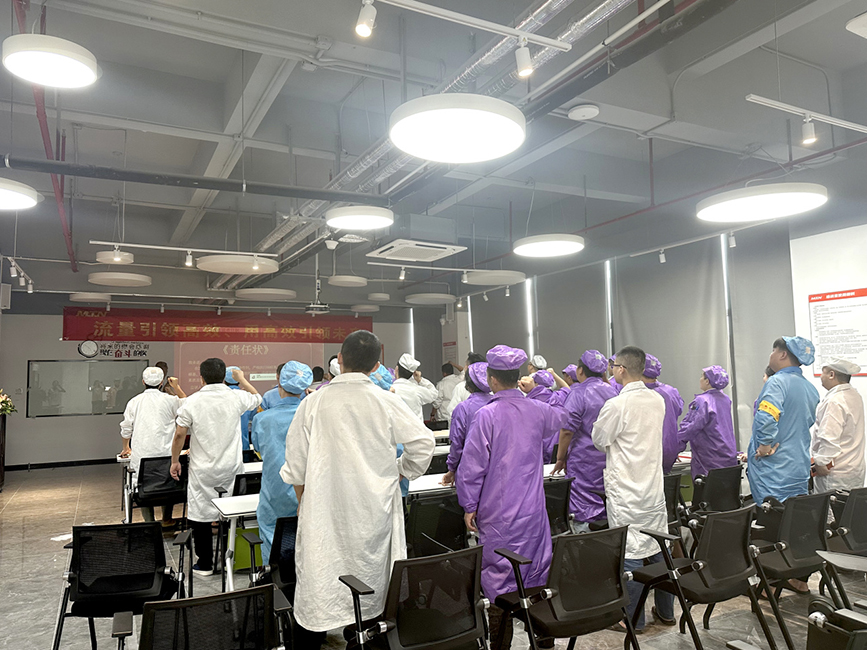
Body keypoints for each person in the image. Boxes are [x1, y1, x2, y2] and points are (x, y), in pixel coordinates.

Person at [280, 330, 434, 647]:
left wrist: (305, 502)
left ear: (339, 359)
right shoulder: (386, 400)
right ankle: (366, 636)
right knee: (371, 584)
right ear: (376, 366)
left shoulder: (312, 403)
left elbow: (296, 467)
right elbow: (423, 443)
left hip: (325, 514)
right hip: (374, 514)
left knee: (320, 584)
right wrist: (401, 470)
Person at [457, 345, 565, 649]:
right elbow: (565, 413)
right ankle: (544, 642)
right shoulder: (538, 410)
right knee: (537, 570)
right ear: (518, 377)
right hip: (533, 511)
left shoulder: (486, 415)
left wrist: (469, 505)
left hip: (498, 512)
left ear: (492, 379)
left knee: (498, 576)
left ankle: (500, 644)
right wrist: (540, 388)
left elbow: (472, 467)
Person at [592, 346, 674, 631]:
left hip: (627, 490)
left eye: (614, 365)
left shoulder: (617, 405)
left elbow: (600, 440)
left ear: (621, 370)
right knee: (659, 546)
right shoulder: (657, 400)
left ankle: (632, 619)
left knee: (631, 552)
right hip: (652, 487)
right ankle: (666, 611)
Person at [170, 359, 261, 575]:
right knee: (230, 512)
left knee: (200, 514)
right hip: (231, 467)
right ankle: (229, 557)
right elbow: (257, 397)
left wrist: (174, 460)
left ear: (201, 377)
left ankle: (205, 564)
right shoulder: (236, 397)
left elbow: (180, 434)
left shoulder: (192, 401)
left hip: (202, 469)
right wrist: (242, 380)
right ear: (223, 377)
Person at [748, 336, 820, 506]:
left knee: (773, 515)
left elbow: (766, 416)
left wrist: (764, 445)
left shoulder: (777, 382)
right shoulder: (809, 388)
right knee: (795, 515)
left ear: (782, 355)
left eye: (773, 351)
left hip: (775, 469)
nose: (771, 355)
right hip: (798, 465)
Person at [251, 361, 311, 561]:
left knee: (272, 538)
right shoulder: (312, 417)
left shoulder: (262, 420)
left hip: (274, 492)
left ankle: (274, 577)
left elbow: (259, 449)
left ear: (279, 382)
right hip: (308, 490)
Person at [552, 350, 617, 532]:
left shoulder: (578, 393)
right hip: (609, 458)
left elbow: (567, 430)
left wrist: (560, 458)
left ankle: (584, 542)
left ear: (580, 370)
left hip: (584, 461)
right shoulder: (613, 392)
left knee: (583, 504)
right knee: (606, 500)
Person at [120, 367, 187, 524]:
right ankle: (167, 519)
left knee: (142, 485)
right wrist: (176, 387)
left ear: (143, 382)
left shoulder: (134, 402)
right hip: (167, 455)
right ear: (162, 382)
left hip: (142, 457)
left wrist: (126, 447)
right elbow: (187, 404)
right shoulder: (170, 400)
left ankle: (149, 523)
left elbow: (126, 428)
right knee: (169, 483)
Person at [811, 357, 865, 493]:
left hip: (835, 473)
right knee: (851, 505)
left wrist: (821, 463)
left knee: (830, 506)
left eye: (823, 372)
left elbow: (829, 436)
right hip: (853, 469)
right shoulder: (854, 395)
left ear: (831, 375)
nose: (821, 377)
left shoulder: (834, 401)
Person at [675, 365, 737, 480]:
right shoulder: (725, 399)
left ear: (707, 381)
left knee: (706, 489)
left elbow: (690, 427)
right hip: (728, 456)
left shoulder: (702, 401)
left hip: (709, 457)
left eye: (701, 377)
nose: (700, 380)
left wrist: (675, 448)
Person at [441, 362, 492, 486]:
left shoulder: (463, 408)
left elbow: (457, 443)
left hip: (471, 471)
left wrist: (452, 468)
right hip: (497, 469)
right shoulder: (499, 404)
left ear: (468, 384)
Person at [642, 354, 684, 473]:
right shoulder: (671, 391)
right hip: (670, 450)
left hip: (649, 452)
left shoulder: (640, 394)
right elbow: (678, 411)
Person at [391, 353, 437, 420]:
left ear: (396, 369)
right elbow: (434, 394)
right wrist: (420, 380)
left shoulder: (390, 390)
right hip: (416, 427)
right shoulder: (417, 390)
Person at [444, 352, 486, 421]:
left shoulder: (461, 388)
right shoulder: (492, 386)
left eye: (466, 365)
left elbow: (452, 413)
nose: (464, 368)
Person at [225, 365, 259, 449]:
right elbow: (253, 417)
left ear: (224, 380)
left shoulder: (220, 397)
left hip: (225, 448)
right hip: (243, 445)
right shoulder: (247, 397)